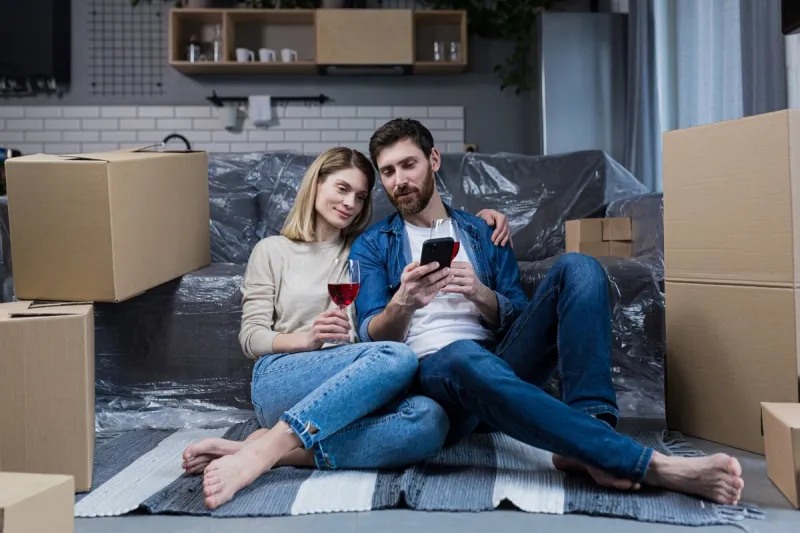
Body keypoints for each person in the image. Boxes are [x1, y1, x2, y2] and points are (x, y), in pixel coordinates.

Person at [350, 118, 745, 506]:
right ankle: (636, 461)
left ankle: (589, 433)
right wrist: (404, 300)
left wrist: (479, 294)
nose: (399, 179)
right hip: (436, 378)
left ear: (433, 160)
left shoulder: (483, 232)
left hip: (500, 365)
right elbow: (372, 336)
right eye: (387, 171)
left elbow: (518, 312)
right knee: (461, 354)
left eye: (408, 164)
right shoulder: (372, 246)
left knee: (580, 267)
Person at [181, 147, 513, 509]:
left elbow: (426, 219)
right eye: (341, 189)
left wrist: (478, 222)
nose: (349, 203)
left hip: (356, 385)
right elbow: (251, 338)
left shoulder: (366, 249)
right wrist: (305, 339)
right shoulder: (273, 250)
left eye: (359, 196)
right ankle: (269, 448)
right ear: (316, 183)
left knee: (429, 421)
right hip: (284, 378)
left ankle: (264, 449)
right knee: (398, 357)